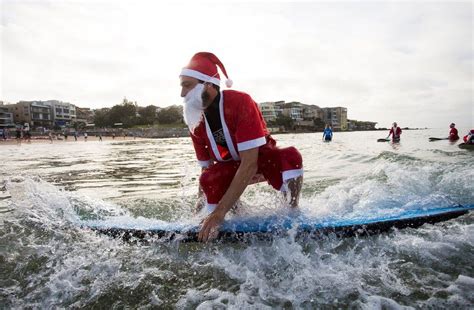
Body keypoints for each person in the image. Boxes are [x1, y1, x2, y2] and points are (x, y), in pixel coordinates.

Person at [180, 52, 304, 242]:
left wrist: (219, 213)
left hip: (262, 162)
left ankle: (293, 210)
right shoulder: (195, 121)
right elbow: (206, 170)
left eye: (187, 86)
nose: (182, 94)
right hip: (230, 168)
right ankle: (237, 216)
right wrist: (196, 216)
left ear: (208, 84)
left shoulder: (240, 102)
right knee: (209, 178)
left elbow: (250, 163)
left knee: (291, 156)